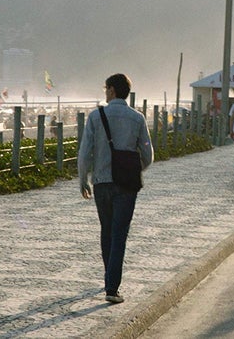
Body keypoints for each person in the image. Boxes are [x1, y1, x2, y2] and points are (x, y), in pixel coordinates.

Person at [78, 73, 154, 304]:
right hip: (127, 186)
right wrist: (134, 168)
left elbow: (85, 153)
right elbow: (149, 154)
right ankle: (112, 287)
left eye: (106, 89)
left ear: (111, 91)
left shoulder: (96, 116)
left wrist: (83, 179)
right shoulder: (137, 118)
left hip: (101, 182)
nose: (105, 93)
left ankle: (108, 278)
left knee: (106, 230)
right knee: (119, 234)